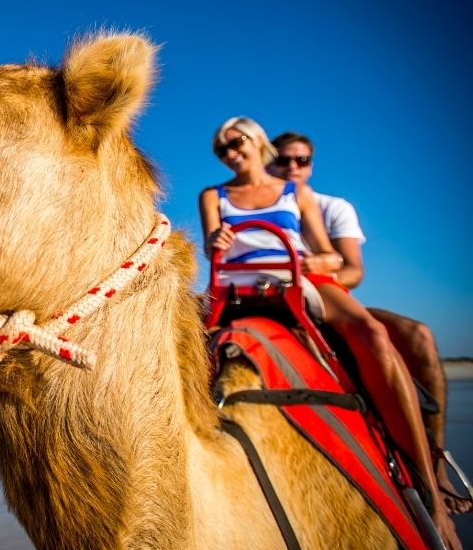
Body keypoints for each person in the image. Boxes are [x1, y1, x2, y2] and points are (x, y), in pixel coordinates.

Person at [198, 116, 459, 547]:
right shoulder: (213, 194)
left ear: (257, 142)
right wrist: (218, 242)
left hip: (298, 278)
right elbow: (211, 244)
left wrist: (320, 264)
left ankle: (430, 483)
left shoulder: (296, 193)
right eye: (221, 149)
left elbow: (330, 255)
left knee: (373, 335)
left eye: (237, 143)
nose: (230, 154)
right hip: (238, 285)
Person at [267, 131, 470, 515]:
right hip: (270, 301)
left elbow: (354, 271)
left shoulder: (332, 207)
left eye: (301, 160)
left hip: (327, 298)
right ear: (267, 161)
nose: (292, 166)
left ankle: (435, 462)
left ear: (311, 164)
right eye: (282, 159)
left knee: (416, 335)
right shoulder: (250, 205)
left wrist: (311, 274)